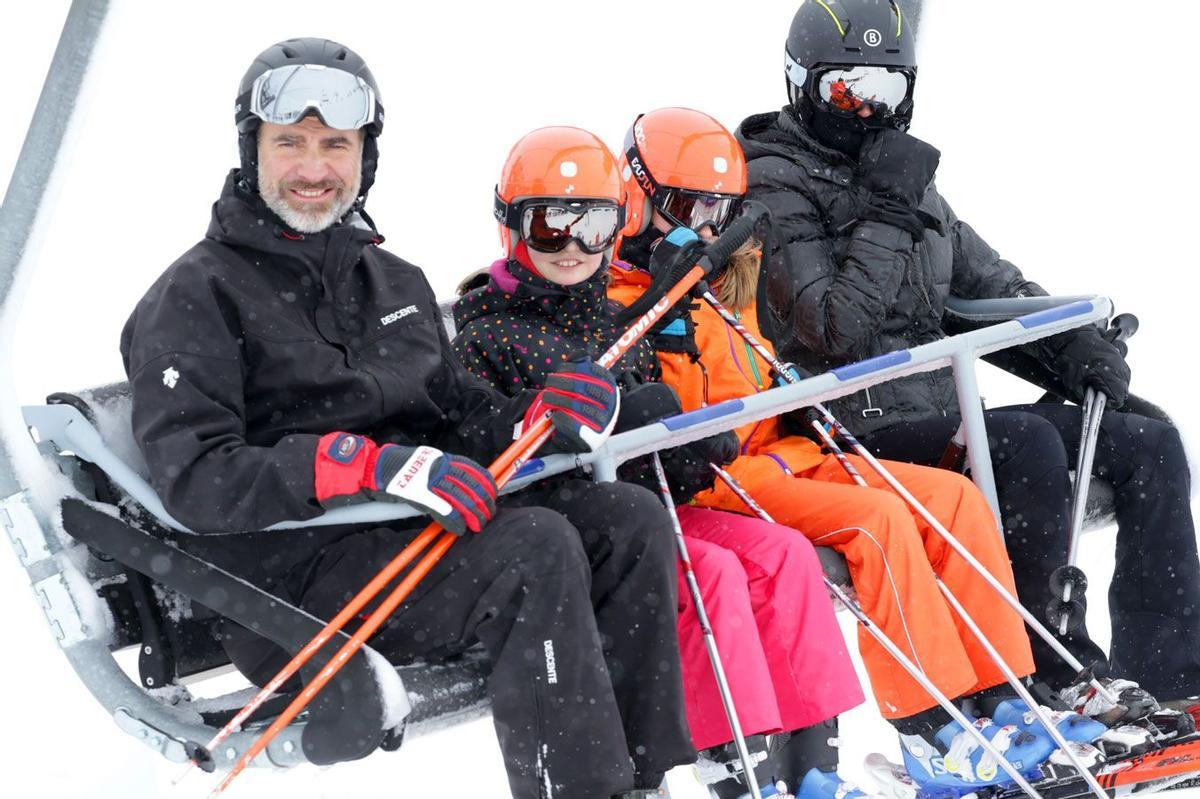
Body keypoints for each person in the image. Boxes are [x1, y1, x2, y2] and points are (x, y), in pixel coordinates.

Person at [119, 38, 695, 799]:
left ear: (365, 155)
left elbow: (453, 418)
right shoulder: (197, 295)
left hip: (413, 540)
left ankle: (646, 780)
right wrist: (359, 464)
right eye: (289, 143)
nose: (314, 168)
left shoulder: (392, 281)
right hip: (293, 585)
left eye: (336, 144)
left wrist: (536, 414)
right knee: (536, 547)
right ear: (250, 149)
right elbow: (196, 478)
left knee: (627, 518)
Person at [737, 0, 1200, 715]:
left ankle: (1174, 685)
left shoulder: (908, 181)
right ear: (801, 83)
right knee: (1024, 442)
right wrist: (884, 212)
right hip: (847, 429)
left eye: (887, 91)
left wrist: (1068, 348)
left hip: (940, 417)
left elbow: (988, 286)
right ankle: (1053, 674)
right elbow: (836, 327)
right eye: (845, 89)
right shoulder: (770, 185)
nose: (867, 112)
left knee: (1147, 441)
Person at [607, 106, 1066, 792]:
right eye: (684, 205)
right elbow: (668, 405)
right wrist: (667, 304)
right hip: (724, 477)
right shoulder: (623, 300)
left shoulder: (719, 283)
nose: (701, 225)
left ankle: (1003, 699)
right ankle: (930, 723)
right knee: (877, 525)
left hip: (785, 451)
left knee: (950, 499)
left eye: (717, 209)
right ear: (636, 196)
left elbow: (769, 360)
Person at [451, 124, 864, 797]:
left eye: (596, 226)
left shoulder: (615, 323)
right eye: (553, 227)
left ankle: (814, 767)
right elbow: (489, 450)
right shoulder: (488, 332)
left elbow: (655, 451)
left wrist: (687, 449)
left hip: (649, 510)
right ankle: (740, 770)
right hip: (580, 536)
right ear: (513, 227)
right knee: (713, 576)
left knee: (782, 553)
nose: (575, 248)